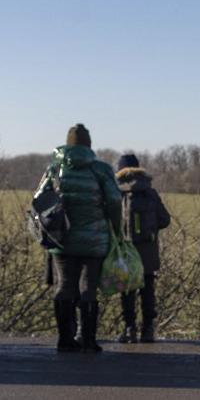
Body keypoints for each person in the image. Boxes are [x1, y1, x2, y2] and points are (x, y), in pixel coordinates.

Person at [40, 124, 122, 353]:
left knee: (64, 285)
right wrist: (115, 228)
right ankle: (88, 339)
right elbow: (115, 201)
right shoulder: (101, 169)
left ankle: (64, 339)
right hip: (93, 239)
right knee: (89, 287)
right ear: (89, 144)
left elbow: (39, 198)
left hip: (60, 237)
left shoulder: (54, 168)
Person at [115, 153, 171, 344]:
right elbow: (165, 219)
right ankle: (148, 330)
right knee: (148, 291)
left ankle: (129, 328)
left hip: (125, 252)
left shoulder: (117, 193)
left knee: (127, 291)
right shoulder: (150, 192)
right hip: (148, 252)